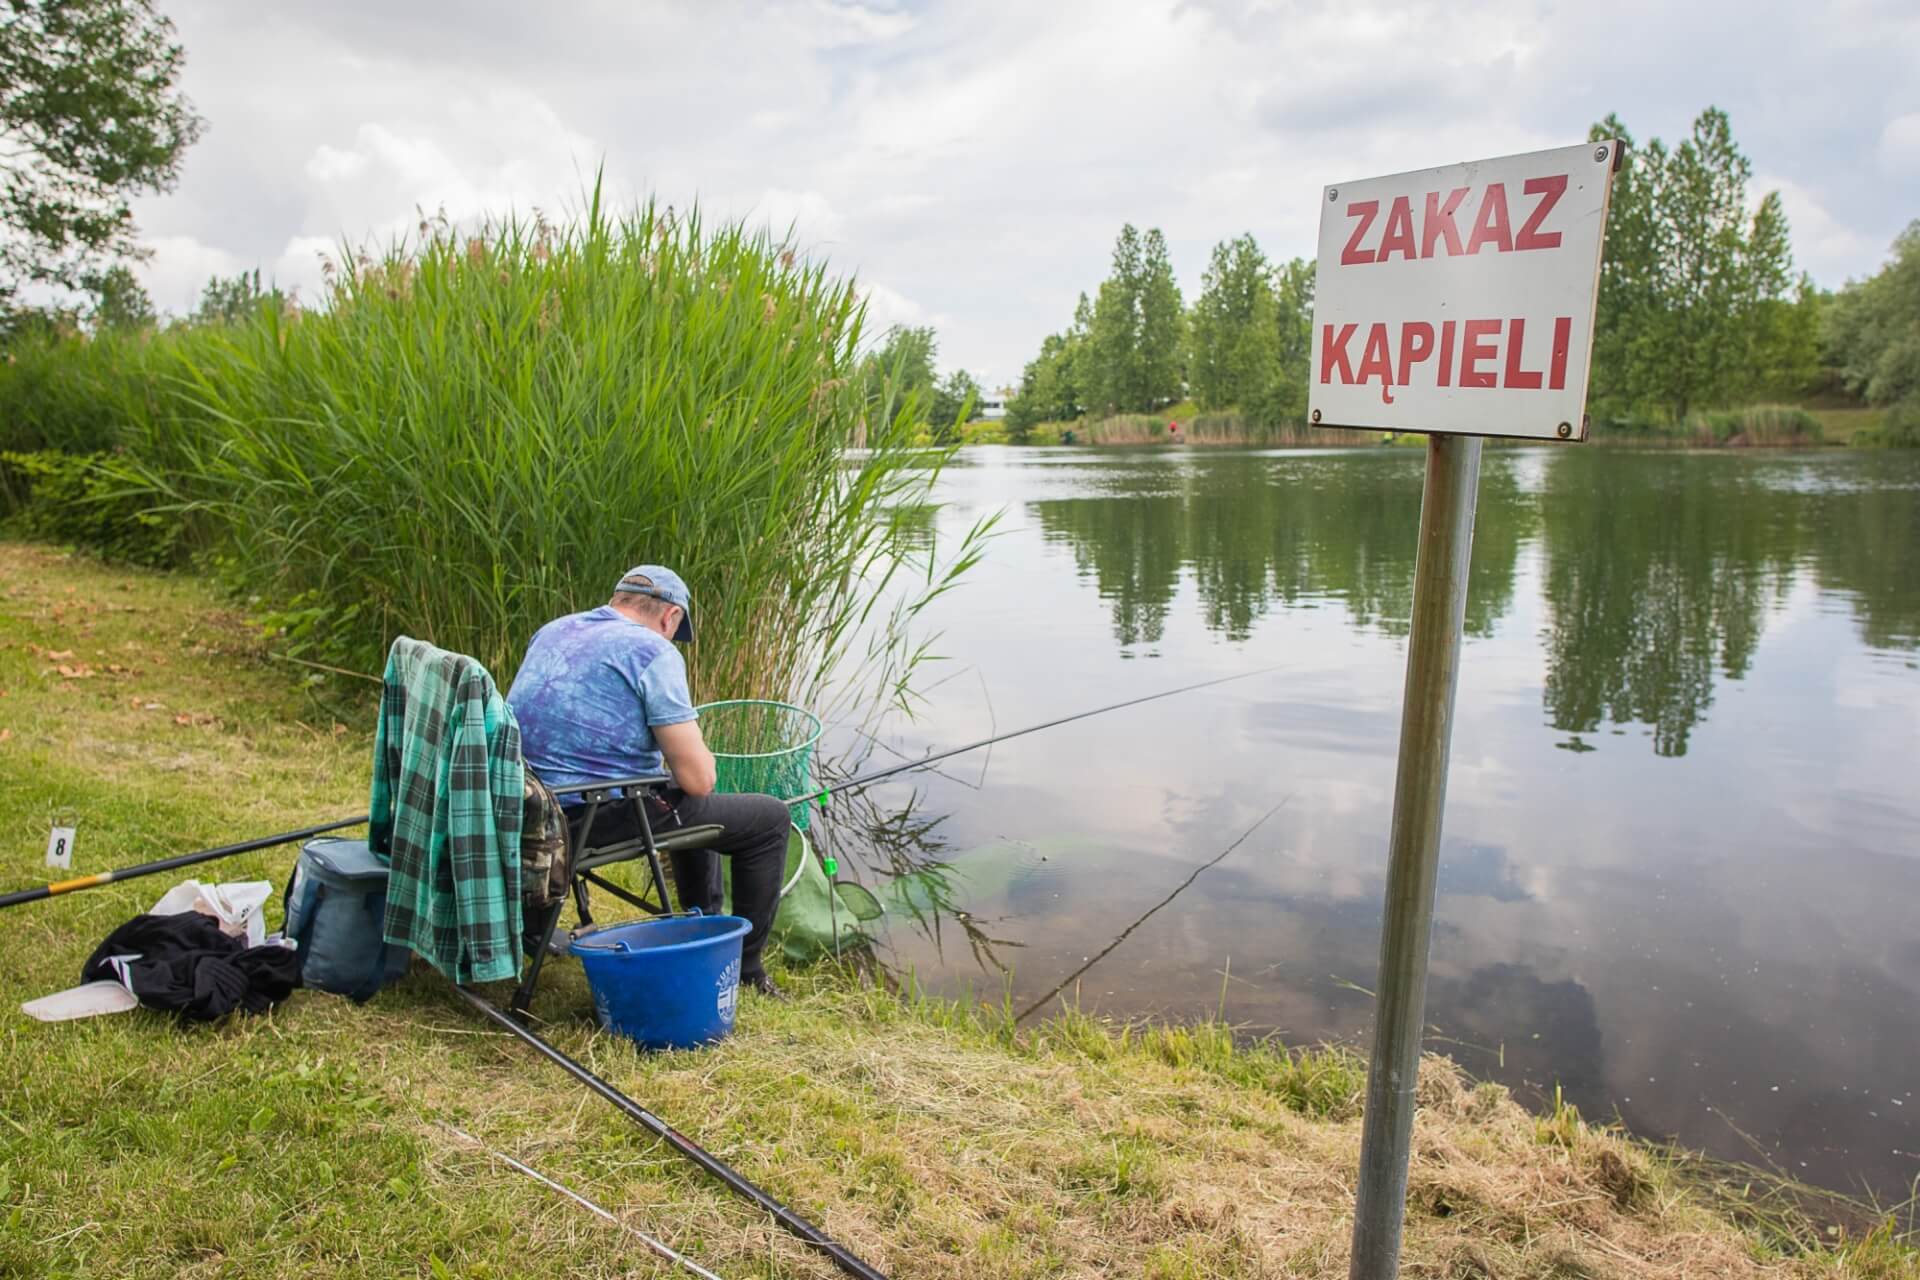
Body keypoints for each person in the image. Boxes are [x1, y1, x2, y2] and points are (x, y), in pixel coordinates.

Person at [506, 565, 790, 998]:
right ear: (670, 617)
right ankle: (745, 967)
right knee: (768, 818)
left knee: (681, 802)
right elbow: (699, 780)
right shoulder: (653, 652)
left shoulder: (555, 630)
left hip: (524, 804)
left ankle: (701, 922)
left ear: (619, 600)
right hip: (581, 819)